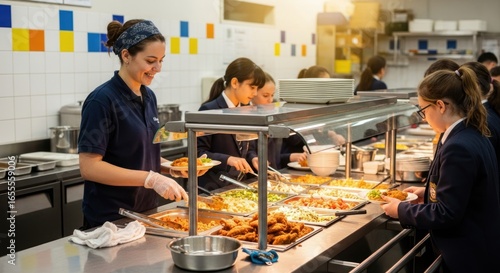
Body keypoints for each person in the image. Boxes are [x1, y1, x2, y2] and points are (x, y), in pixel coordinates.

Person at [381, 66, 500, 272]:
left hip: (468, 255)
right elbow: (463, 193)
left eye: (423, 110)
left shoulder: (458, 147)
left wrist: (400, 209)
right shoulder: (471, 132)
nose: (424, 117)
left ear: (440, 106)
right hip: (481, 244)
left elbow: (447, 213)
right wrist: (427, 193)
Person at [78, 19, 188, 229]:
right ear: (126, 55)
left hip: (146, 212)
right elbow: (89, 167)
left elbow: (140, 153)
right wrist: (151, 179)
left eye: (161, 60)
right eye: (150, 60)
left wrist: (169, 169)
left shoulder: (148, 97)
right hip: (111, 220)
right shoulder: (102, 100)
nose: (157, 68)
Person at [197, 57, 266, 190]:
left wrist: (253, 157)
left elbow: (248, 146)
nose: (255, 93)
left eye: (257, 88)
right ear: (235, 83)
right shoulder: (209, 110)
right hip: (213, 188)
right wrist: (227, 159)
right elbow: (198, 153)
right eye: (252, 87)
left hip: (239, 186)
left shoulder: (246, 109)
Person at [248, 72, 307, 169]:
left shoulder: (274, 115)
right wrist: (254, 158)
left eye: (272, 95)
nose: (270, 100)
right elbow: (249, 153)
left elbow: (275, 158)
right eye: (266, 95)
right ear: (253, 93)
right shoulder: (248, 116)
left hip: (274, 174)